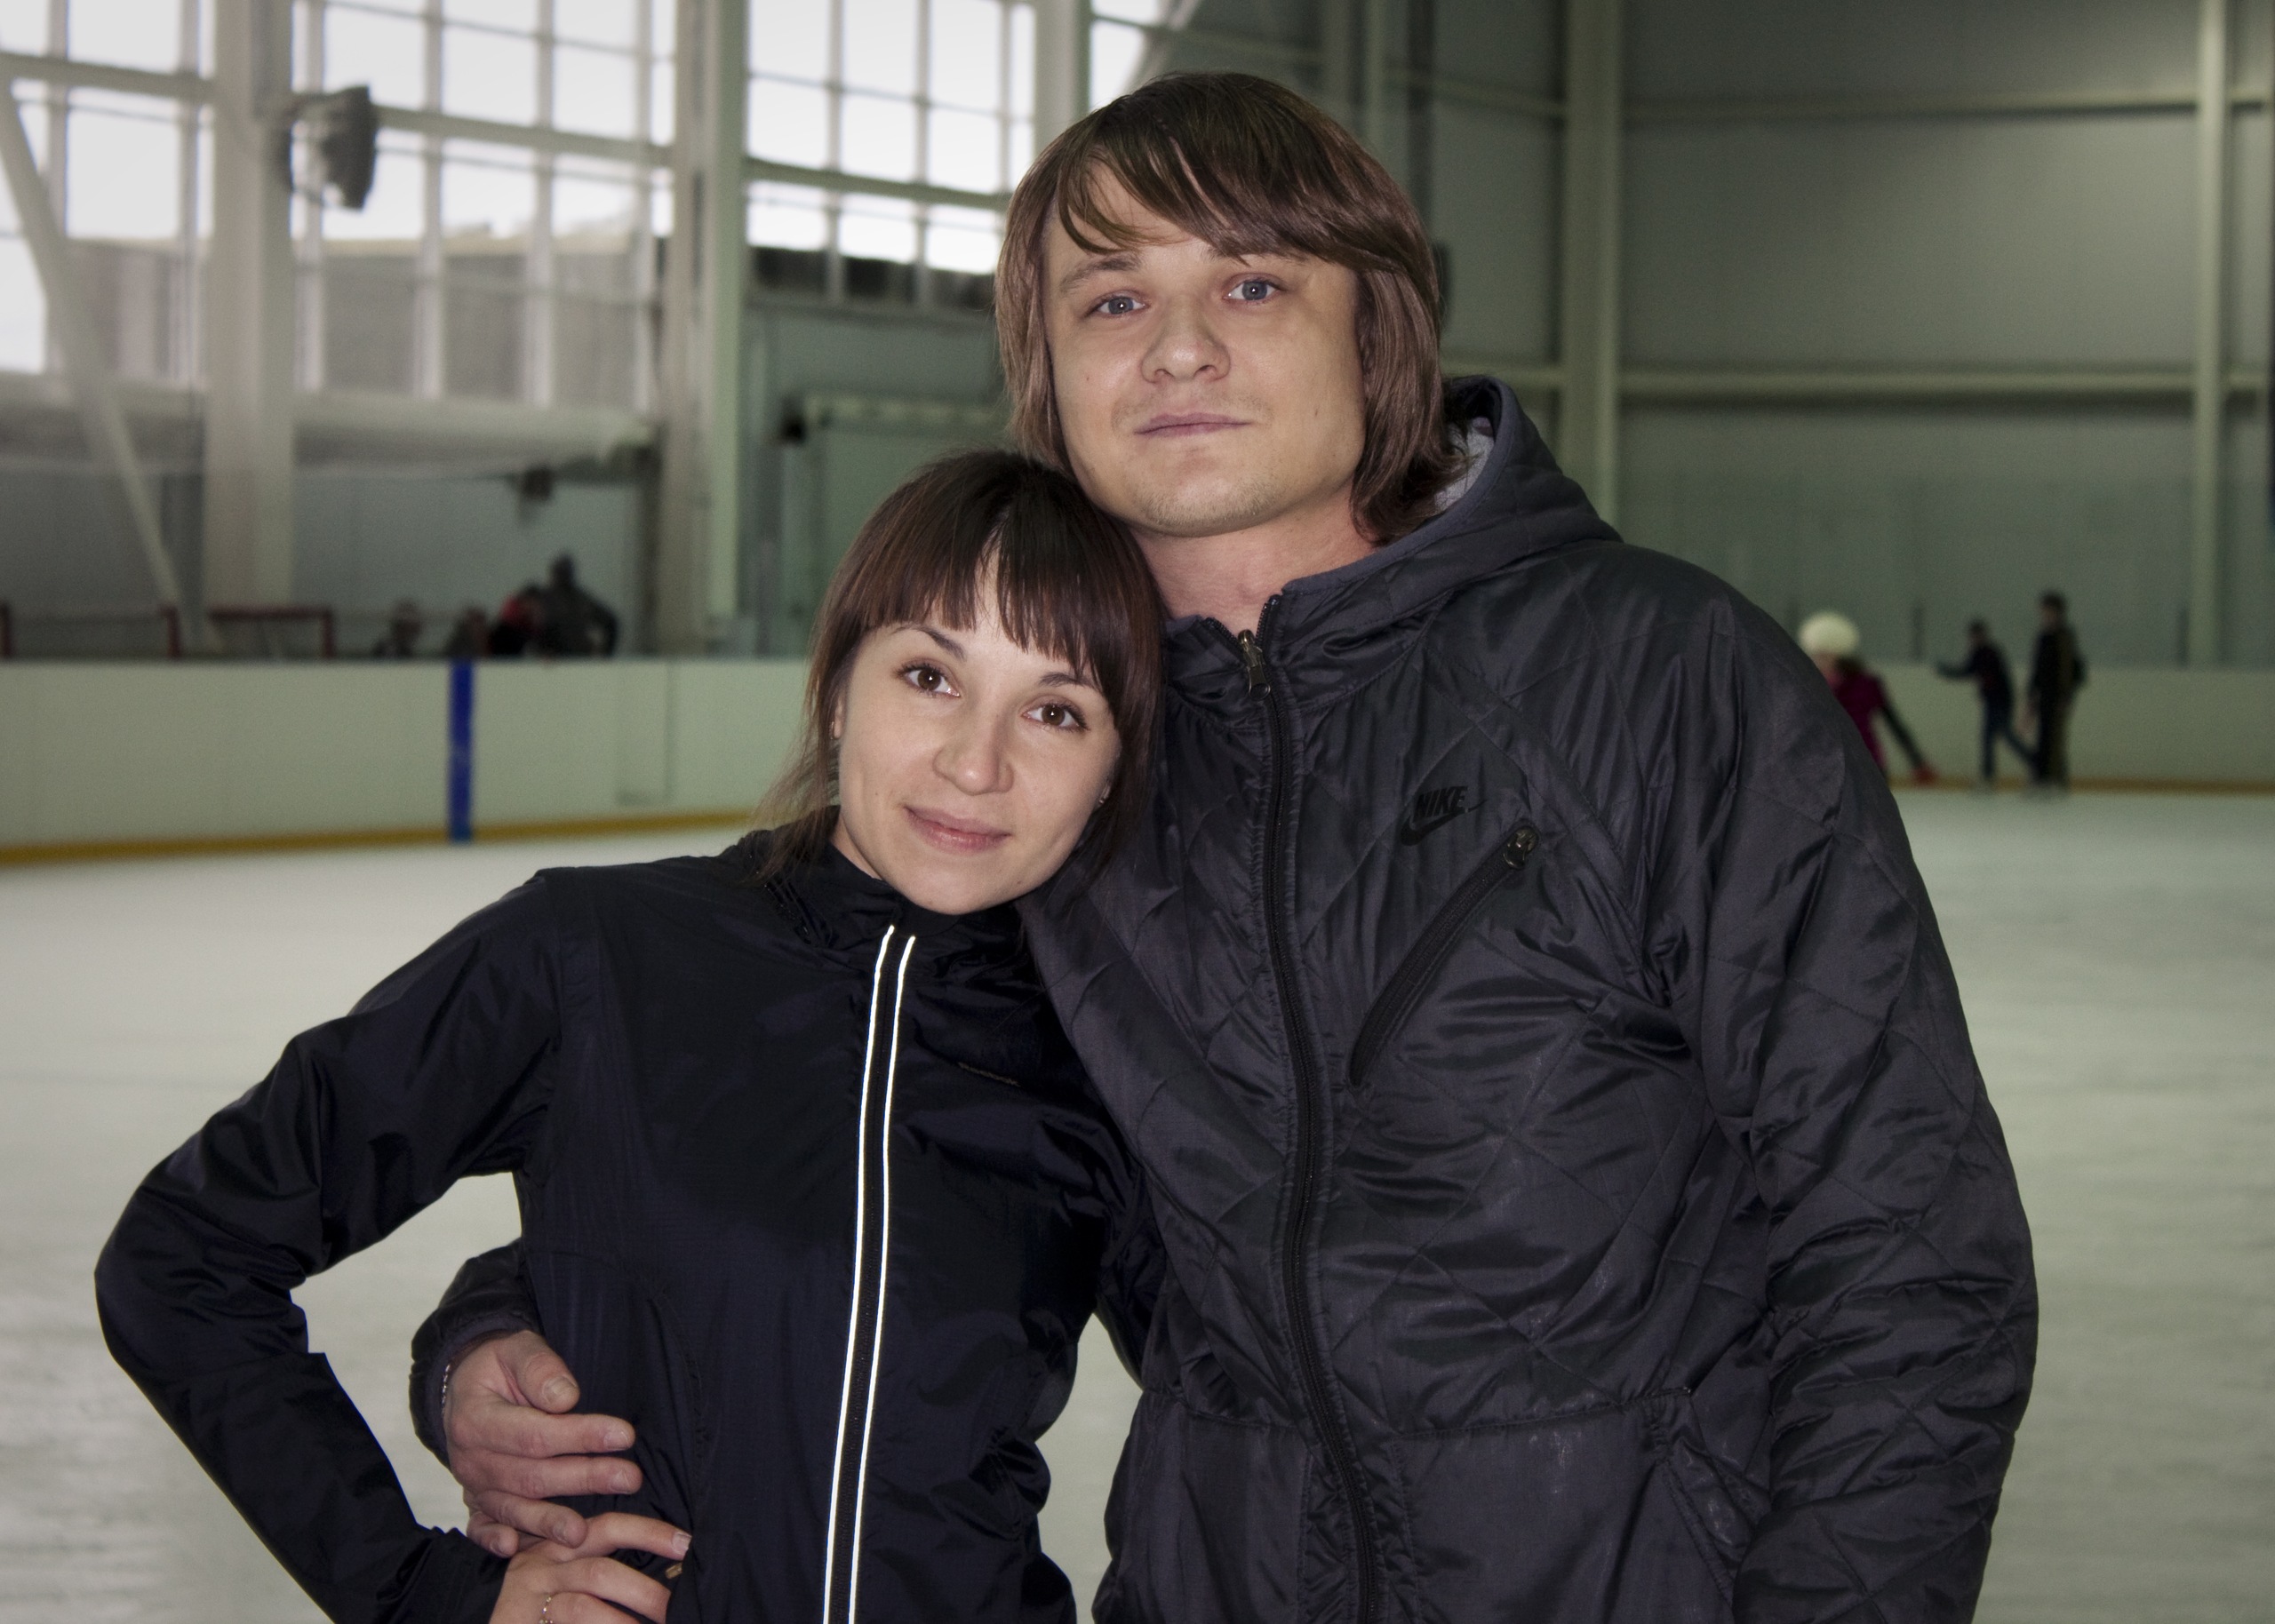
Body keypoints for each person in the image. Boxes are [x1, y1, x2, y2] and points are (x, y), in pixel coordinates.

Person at [429, 74, 2035, 1624]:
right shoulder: (1056, 748)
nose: (1179, 345)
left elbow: (1909, 1255)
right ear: (1047, 371)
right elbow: (812, 1073)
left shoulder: (1657, 675)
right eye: (1112, 299)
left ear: (1378, 330)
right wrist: (502, 1323)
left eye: (1254, 284)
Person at [94, 451, 1168, 1624]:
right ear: (836, 691)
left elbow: (1261, 1405)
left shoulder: (1116, 1057)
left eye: (1055, 710)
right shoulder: (591, 954)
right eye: (929, 674)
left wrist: (485, 1313)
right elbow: (185, 1253)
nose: (976, 762)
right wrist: (421, 1593)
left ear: (1114, 769)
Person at [1798, 609, 1936, 783]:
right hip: (1824, 764)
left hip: (1866, 762)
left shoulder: (1866, 684)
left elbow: (1894, 723)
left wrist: (1917, 760)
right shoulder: (1807, 684)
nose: (1819, 661)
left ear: (1839, 655)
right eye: (1816, 655)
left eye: (1824, 656)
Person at [1939, 618, 2031, 790]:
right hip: (1993, 702)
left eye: (1975, 636)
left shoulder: (1989, 653)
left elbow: (1987, 676)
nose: (1973, 640)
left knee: (2002, 737)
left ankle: (2033, 763)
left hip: (1999, 703)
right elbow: (1969, 671)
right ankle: (1989, 776)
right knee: (1990, 739)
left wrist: (1948, 672)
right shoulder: (1981, 653)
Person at [2025, 591, 2086, 792]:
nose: (2045, 614)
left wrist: (2065, 695)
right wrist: (2031, 693)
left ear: (2058, 612)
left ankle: (2056, 780)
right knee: (2043, 737)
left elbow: (2067, 668)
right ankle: (2041, 779)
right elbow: (2037, 667)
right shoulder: (2043, 636)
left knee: (2055, 738)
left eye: (2048, 610)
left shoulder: (2064, 636)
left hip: (2058, 695)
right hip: (2044, 694)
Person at [531, 554, 620, 657]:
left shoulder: (581, 600)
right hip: (553, 660)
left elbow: (610, 621)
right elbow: (532, 629)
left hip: (579, 658)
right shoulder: (544, 599)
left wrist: (604, 653)